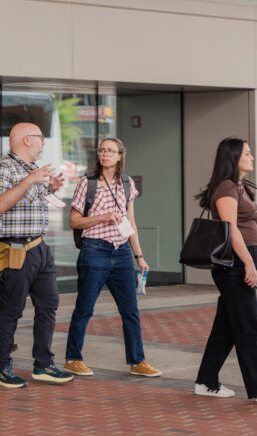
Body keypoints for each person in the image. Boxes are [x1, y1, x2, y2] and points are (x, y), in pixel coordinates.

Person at [192, 137, 257, 404]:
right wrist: (247, 263)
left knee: (226, 328)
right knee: (250, 327)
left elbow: (254, 226)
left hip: (241, 261)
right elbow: (231, 228)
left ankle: (206, 381)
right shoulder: (225, 188)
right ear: (233, 158)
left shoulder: (240, 187)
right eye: (247, 153)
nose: (252, 157)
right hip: (233, 265)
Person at [64, 138, 161, 378]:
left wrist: (139, 256)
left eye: (110, 150)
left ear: (120, 156)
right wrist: (103, 217)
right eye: (102, 150)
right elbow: (74, 221)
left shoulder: (127, 184)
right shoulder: (87, 183)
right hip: (94, 251)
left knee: (131, 311)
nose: (105, 154)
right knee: (84, 309)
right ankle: (73, 359)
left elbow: (131, 223)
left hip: (122, 253)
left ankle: (137, 361)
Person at [0, 122, 73, 388]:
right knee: (11, 309)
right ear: (27, 140)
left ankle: (43, 364)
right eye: (40, 137)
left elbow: (28, 202)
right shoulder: (4, 168)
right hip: (15, 248)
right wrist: (30, 181)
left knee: (49, 305)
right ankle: (2, 368)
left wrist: (50, 189)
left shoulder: (31, 169)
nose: (44, 142)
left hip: (39, 247)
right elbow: (1, 204)